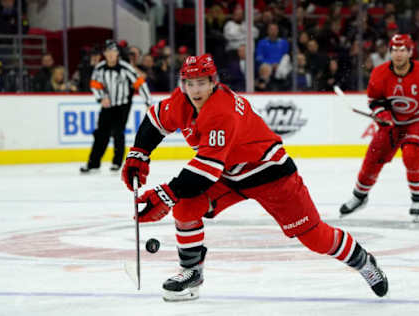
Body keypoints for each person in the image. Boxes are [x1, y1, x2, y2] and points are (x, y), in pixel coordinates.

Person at [121, 53, 388, 302]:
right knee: (186, 205)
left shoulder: (221, 111)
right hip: (229, 173)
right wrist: (139, 154)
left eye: (201, 83)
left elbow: (203, 172)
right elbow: (154, 121)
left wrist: (163, 195)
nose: (195, 90)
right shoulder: (182, 99)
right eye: (189, 83)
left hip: (270, 174)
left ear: (214, 82)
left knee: (315, 239)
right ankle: (192, 274)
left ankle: (363, 261)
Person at [340, 34, 419, 222]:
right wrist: (382, 114)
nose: (398, 54)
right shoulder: (379, 73)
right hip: (395, 123)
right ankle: (360, 195)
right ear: (390, 52)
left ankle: (418, 199)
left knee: (411, 153)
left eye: (402, 50)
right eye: (395, 50)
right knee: (374, 153)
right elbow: (375, 101)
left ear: (410, 52)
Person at [80, 40, 152, 173]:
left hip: (123, 105)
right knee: (101, 134)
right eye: (108, 52)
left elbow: (140, 83)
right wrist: (102, 97)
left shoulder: (126, 68)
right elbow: (94, 84)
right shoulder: (100, 68)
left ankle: (117, 163)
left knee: (118, 132)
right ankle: (93, 163)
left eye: (113, 52)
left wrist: (148, 102)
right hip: (107, 105)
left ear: (118, 53)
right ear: (105, 54)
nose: (111, 54)